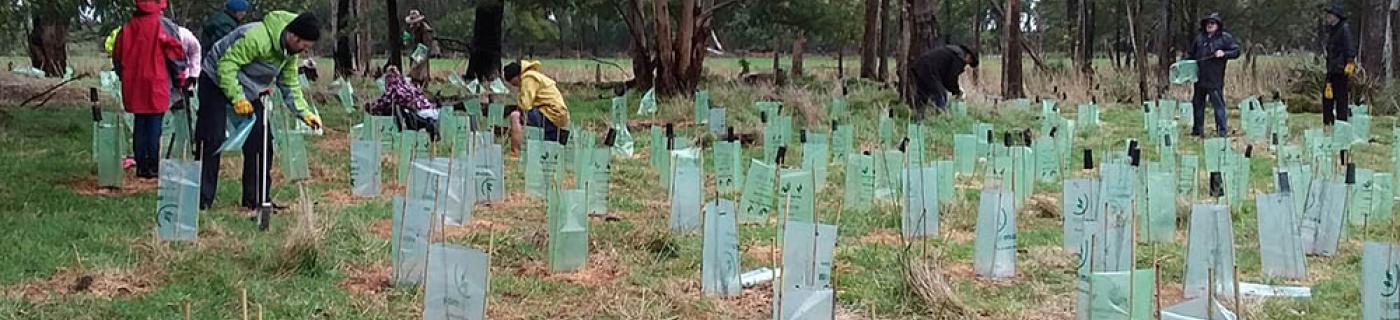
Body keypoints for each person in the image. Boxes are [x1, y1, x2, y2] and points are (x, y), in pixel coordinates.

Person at [195, 11, 322, 211]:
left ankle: (257, 200)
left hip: (248, 90)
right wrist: (237, 98)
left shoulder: (289, 53)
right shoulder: (257, 37)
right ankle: (201, 200)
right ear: (293, 37)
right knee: (212, 138)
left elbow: (289, 83)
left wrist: (304, 113)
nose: (304, 51)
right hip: (215, 80)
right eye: (304, 46)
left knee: (261, 142)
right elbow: (226, 65)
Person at [111, 0, 188, 178]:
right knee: (154, 125)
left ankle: (141, 165)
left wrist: (124, 76)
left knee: (140, 123)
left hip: (134, 82)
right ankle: (153, 166)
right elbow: (175, 53)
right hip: (157, 81)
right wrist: (179, 78)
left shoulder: (128, 27)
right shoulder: (164, 25)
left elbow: (117, 56)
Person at [1186, 13, 1240, 138]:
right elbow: (1191, 55)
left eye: (1212, 23)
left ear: (1217, 25)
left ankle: (1222, 131)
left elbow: (1236, 51)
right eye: (1207, 23)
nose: (1209, 25)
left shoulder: (1225, 38)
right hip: (1199, 78)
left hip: (1215, 79)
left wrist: (1224, 53)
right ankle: (1197, 131)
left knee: (1218, 106)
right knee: (1197, 104)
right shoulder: (1200, 39)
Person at [503, 61, 570, 145]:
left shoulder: (528, 79)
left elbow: (526, 104)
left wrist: (513, 111)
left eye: (513, 83)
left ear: (516, 76)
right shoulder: (531, 76)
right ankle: (551, 138)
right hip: (552, 111)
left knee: (526, 115)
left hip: (553, 112)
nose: (515, 86)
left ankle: (541, 140)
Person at [908, 44, 978, 121]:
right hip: (930, 70)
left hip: (920, 66)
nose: (967, 64)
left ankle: (918, 121)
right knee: (941, 95)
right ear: (968, 56)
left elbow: (946, 79)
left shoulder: (954, 51)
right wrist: (957, 91)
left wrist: (954, 90)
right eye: (969, 61)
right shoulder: (959, 58)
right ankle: (940, 120)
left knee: (922, 95)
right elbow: (951, 79)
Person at [1323, 4, 1357, 127]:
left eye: (1330, 15)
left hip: (1341, 70)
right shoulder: (1332, 30)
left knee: (1341, 99)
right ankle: (1328, 123)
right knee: (1327, 98)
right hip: (1332, 70)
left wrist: (1349, 62)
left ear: (1336, 17)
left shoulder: (1344, 29)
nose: (1328, 17)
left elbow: (1350, 47)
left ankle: (1342, 126)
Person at [406, 10, 436, 85]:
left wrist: (419, 57)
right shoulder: (415, 28)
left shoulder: (426, 30)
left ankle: (422, 84)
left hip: (423, 51)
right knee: (414, 70)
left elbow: (426, 46)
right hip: (417, 51)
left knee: (420, 71)